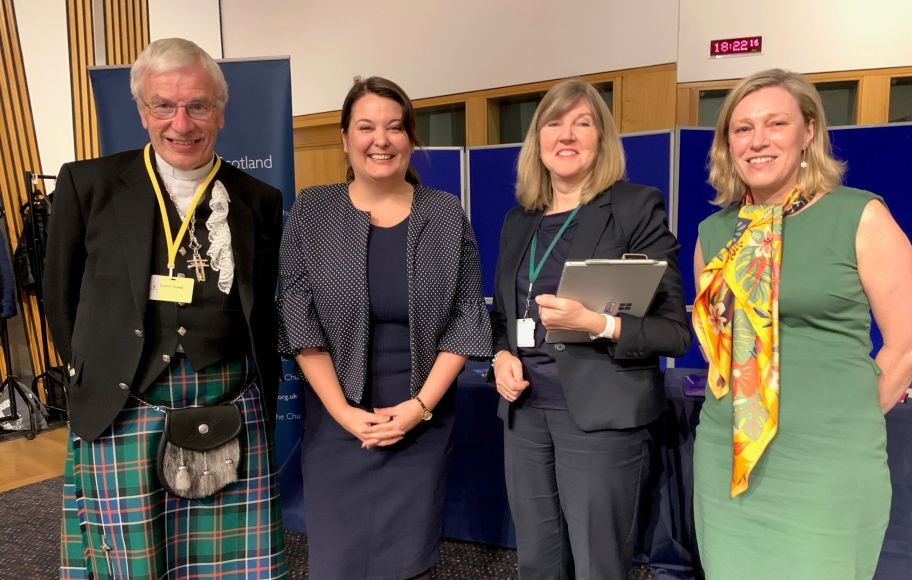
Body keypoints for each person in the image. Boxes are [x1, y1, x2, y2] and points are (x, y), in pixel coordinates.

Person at [45, 38, 286, 578]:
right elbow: (61, 296)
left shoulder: (258, 200)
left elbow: (265, 311)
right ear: (141, 111)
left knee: (224, 565)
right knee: (133, 562)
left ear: (220, 112)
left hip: (228, 402)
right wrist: (97, 371)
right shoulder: (89, 185)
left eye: (198, 105)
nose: (182, 123)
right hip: (123, 403)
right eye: (164, 105)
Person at [691, 69, 912, 579]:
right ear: (727, 144)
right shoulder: (713, 234)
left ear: (809, 133)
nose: (757, 141)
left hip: (828, 461)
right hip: (727, 457)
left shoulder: (859, 216)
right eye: (742, 128)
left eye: (775, 123)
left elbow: (909, 341)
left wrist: (847, 418)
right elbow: (719, 343)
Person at [277, 76, 491, 580]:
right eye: (367, 126)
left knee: (409, 561)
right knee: (339, 562)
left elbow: (466, 319)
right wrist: (346, 415)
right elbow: (298, 322)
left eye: (395, 127)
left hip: (421, 418)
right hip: (335, 420)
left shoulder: (443, 213)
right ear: (345, 138)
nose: (382, 139)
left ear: (410, 138)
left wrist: (418, 409)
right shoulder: (314, 211)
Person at [489, 79, 691, 579]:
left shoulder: (635, 208)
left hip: (601, 421)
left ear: (603, 138)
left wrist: (596, 323)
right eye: (554, 123)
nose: (568, 134)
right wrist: (499, 357)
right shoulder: (519, 221)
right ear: (538, 141)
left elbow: (673, 332)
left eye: (583, 123)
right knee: (537, 561)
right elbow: (501, 320)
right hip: (525, 415)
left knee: (599, 564)